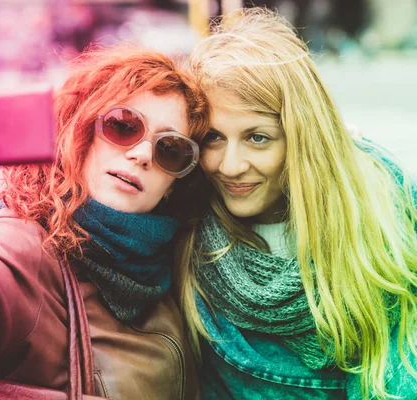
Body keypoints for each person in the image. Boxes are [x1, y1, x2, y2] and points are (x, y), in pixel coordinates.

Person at [0, 45, 211, 399]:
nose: (142, 155)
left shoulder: (172, 260)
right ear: (78, 131)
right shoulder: (22, 243)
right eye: (123, 125)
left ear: (176, 182)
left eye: (170, 149)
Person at [177, 8, 417, 400]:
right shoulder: (183, 228)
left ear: (301, 137)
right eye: (213, 138)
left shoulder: (384, 211)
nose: (231, 166)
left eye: (258, 138)